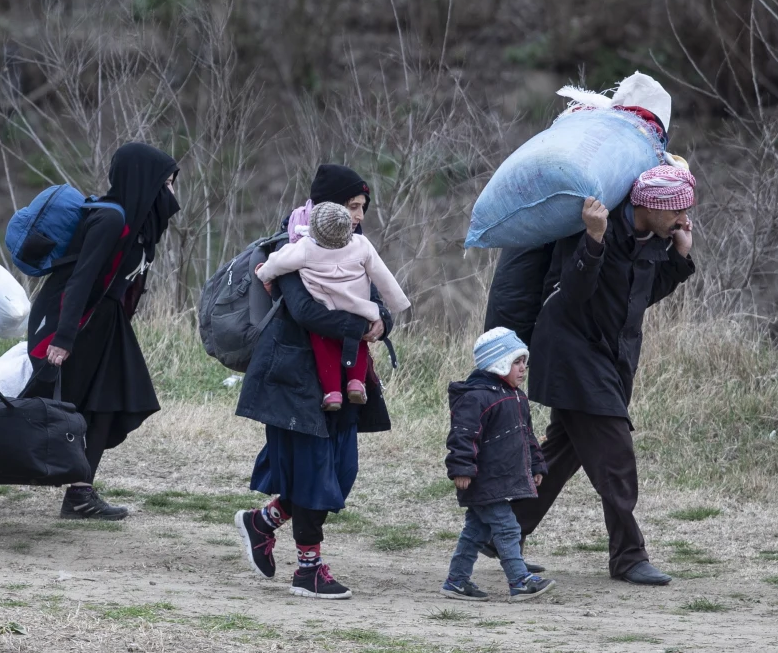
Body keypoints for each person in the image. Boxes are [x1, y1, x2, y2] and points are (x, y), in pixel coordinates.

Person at [510, 164, 697, 586]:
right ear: (649, 206)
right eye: (679, 212)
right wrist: (593, 240)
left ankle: (500, 533)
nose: (684, 220)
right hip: (572, 355)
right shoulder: (597, 228)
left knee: (561, 455)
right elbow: (572, 294)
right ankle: (629, 557)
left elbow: (641, 296)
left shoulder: (652, 237)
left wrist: (679, 258)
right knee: (615, 456)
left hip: (611, 360)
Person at [233, 164, 396, 600]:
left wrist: (384, 321)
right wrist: (362, 324)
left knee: (342, 473)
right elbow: (305, 311)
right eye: (353, 206)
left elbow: (378, 300)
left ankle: (262, 521)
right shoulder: (295, 247)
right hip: (294, 380)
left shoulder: (354, 248)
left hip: (344, 380)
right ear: (329, 207)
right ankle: (308, 568)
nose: (359, 215)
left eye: (362, 207)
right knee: (313, 475)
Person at [14, 141, 180, 520]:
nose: (171, 194)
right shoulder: (112, 219)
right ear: (144, 181)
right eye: (167, 184)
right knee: (46, 407)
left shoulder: (139, 227)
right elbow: (80, 279)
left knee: (109, 401)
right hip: (69, 320)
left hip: (105, 324)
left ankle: (80, 492)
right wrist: (63, 337)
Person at [255, 201, 410, 410]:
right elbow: (382, 275)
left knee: (324, 347)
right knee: (359, 342)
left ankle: (333, 393)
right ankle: (356, 383)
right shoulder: (361, 244)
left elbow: (278, 263)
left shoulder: (305, 248)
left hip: (325, 311)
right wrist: (396, 303)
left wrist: (263, 273)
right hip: (359, 310)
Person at [440, 328, 555, 602]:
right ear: (498, 363)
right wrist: (461, 469)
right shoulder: (476, 397)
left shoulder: (517, 397)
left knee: (476, 532)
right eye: (516, 362)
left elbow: (527, 435)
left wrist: (536, 465)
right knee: (507, 528)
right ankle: (519, 580)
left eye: (524, 362)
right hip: (483, 479)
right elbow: (462, 436)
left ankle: (456, 581)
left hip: (501, 479)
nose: (523, 368)